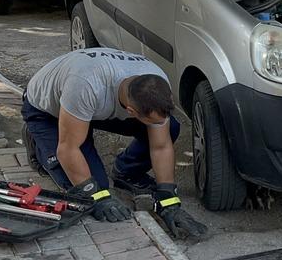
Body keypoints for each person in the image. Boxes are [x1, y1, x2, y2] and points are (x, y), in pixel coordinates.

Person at [21, 47, 207, 240]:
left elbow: (161, 146)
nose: (159, 125)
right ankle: (39, 143)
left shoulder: (156, 83)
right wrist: (95, 195)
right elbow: (68, 149)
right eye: (153, 121)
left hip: (90, 106)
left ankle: (126, 172)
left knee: (170, 128)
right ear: (131, 112)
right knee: (93, 189)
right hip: (46, 111)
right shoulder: (86, 84)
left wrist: (168, 200)